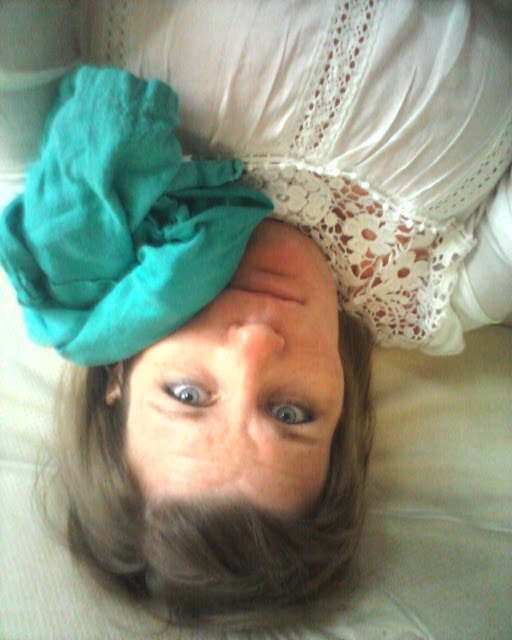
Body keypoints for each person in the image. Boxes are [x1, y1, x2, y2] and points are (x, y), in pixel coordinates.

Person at [0, 0, 511, 631]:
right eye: (291, 414)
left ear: (116, 372)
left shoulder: (72, 182)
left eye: (188, 394)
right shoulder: (440, 294)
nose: (255, 347)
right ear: (344, 412)